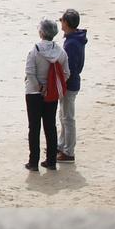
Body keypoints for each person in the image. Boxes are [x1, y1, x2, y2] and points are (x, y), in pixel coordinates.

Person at [24, 19, 68, 172]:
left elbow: (30, 72)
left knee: (34, 128)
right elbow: (66, 74)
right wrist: (49, 87)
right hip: (51, 94)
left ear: (41, 32)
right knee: (50, 126)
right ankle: (51, 161)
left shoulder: (35, 50)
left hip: (33, 93)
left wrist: (39, 87)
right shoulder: (60, 52)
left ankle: (33, 162)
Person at [58, 9, 85, 162]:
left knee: (67, 118)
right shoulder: (74, 39)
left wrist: (62, 82)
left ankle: (68, 151)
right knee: (63, 116)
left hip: (70, 84)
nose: (61, 22)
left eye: (62, 20)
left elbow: (71, 68)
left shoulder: (72, 42)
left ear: (67, 23)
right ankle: (62, 145)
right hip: (71, 83)